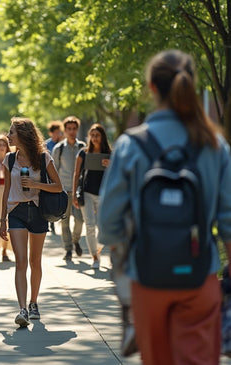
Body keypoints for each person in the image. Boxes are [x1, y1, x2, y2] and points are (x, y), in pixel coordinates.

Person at [98, 49, 231, 364]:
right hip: (201, 275)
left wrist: (124, 263)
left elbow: (108, 222)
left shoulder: (131, 145)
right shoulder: (215, 146)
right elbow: (228, 220)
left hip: (147, 277)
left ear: (152, 88)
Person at [0, 117, 63, 327]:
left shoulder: (43, 158)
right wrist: (2, 220)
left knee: (35, 261)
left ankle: (34, 302)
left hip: (37, 212)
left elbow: (58, 187)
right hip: (16, 212)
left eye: (11, 133)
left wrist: (36, 184)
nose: (8, 136)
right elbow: (6, 190)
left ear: (23, 135)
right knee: (21, 262)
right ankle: (22, 309)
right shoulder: (9, 159)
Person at [72, 124, 111, 269]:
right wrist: (75, 195)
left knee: (103, 227)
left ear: (102, 137)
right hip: (86, 192)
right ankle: (95, 256)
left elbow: (117, 174)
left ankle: (98, 248)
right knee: (89, 225)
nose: (94, 138)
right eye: (92, 135)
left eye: (97, 135)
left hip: (104, 194)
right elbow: (76, 174)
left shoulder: (110, 154)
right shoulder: (83, 153)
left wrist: (111, 164)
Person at [52, 116, 86, 261]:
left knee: (80, 220)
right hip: (64, 190)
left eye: (74, 129)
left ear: (77, 130)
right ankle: (68, 249)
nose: (72, 132)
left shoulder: (83, 147)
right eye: (69, 129)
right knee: (64, 222)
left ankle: (75, 240)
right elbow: (53, 171)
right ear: (64, 131)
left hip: (79, 190)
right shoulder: (58, 149)